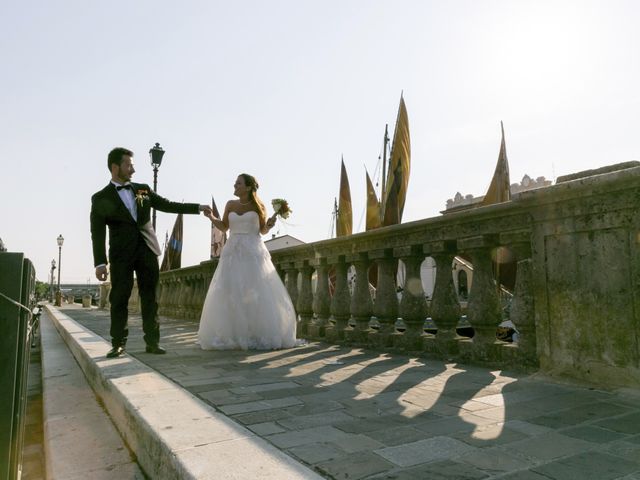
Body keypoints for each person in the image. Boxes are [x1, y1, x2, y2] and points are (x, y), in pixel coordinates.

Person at [90, 147, 211, 358]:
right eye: (129, 165)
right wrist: (100, 263)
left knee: (151, 298)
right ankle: (118, 343)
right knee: (119, 298)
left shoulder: (142, 190)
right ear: (115, 167)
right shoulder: (100, 198)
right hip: (121, 255)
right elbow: (97, 233)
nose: (133, 170)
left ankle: (153, 342)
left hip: (147, 250)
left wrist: (197, 208)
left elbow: (167, 204)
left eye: (133, 165)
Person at [198, 173, 299, 350]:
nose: (234, 185)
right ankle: (234, 333)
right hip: (233, 251)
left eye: (238, 183)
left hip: (253, 252)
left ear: (248, 187)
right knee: (231, 291)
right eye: (235, 183)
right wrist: (211, 217)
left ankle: (255, 332)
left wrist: (269, 225)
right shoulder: (230, 204)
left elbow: (263, 231)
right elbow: (224, 226)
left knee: (256, 291)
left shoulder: (259, 205)